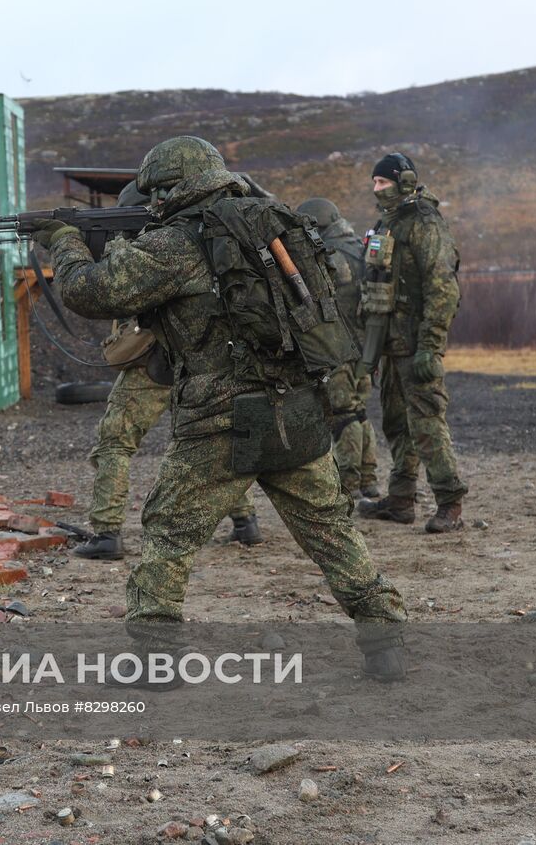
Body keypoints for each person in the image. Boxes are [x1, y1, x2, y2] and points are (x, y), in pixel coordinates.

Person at [34, 136, 407, 677]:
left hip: (221, 418)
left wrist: (64, 241)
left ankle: (155, 660)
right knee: (331, 531)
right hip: (295, 407)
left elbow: (91, 293)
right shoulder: (277, 222)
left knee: (168, 534)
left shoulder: (180, 241)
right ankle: (385, 643)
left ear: (171, 187)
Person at [79, 183, 260, 560]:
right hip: (198, 361)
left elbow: (108, 290)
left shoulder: (150, 249)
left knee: (115, 441)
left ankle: (107, 532)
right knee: (210, 443)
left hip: (154, 362)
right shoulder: (198, 237)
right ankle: (246, 521)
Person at [354, 153, 468, 533]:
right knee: (395, 424)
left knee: (427, 423)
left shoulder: (425, 223)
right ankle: (401, 499)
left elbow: (443, 289)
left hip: (416, 345)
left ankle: (450, 502)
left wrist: (430, 346)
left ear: (404, 182)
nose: (376, 189)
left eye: (382, 183)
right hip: (391, 344)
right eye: (374, 183)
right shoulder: (386, 224)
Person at [296, 197, 381, 502]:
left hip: (339, 345)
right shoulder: (358, 248)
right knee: (358, 412)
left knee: (344, 414)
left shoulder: (330, 255)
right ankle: (368, 480)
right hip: (364, 345)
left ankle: (350, 485)